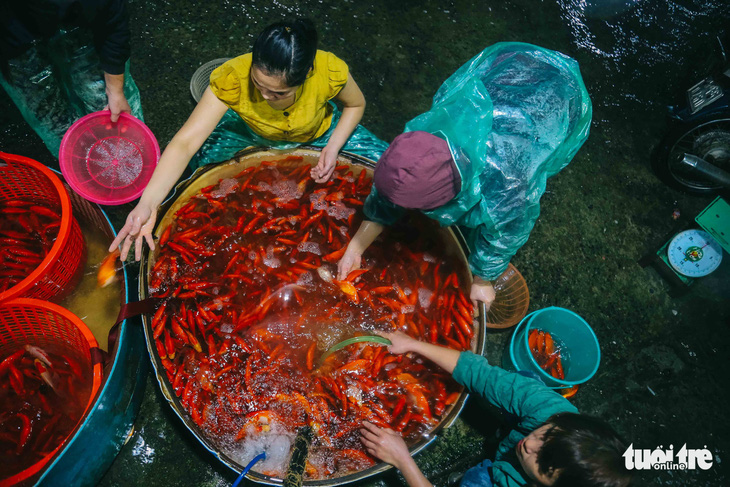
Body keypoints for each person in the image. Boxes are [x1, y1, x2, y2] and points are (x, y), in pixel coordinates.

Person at [336, 43, 593, 310]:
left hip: (557, 101)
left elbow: (506, 234)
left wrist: (483, 278)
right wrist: (356, 247)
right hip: (508, 71)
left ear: (441, 201)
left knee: (501, 211)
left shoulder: (510, 184)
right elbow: (396, 187)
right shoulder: (427, 135)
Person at [111, 18, 387, 260]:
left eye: (279, 94)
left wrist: (333, 145)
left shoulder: (328, 70)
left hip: (321, 132)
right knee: (204, 177)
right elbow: (185, 141)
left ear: (307, 75)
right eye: (258, 85)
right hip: (250, 135)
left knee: (389, 170)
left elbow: (355, 105)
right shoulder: (232, 76)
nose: (266, 97)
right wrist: (147, 203)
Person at [360, 332, 631, 487]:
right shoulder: (554, 411)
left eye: (543, 463)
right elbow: (480, 373)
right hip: (530, 426)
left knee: (477, 480)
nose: (530, 446)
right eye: (547, 434)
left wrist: (402, 460)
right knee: (525, 383)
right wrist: (412, 343)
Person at [0, 0, 143, 158]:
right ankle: (81, 161)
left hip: (77, 21)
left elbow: (114, 25)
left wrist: (115, 91)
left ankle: (127, 158)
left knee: (105, 102)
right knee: (53, 118)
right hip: (10, 38)